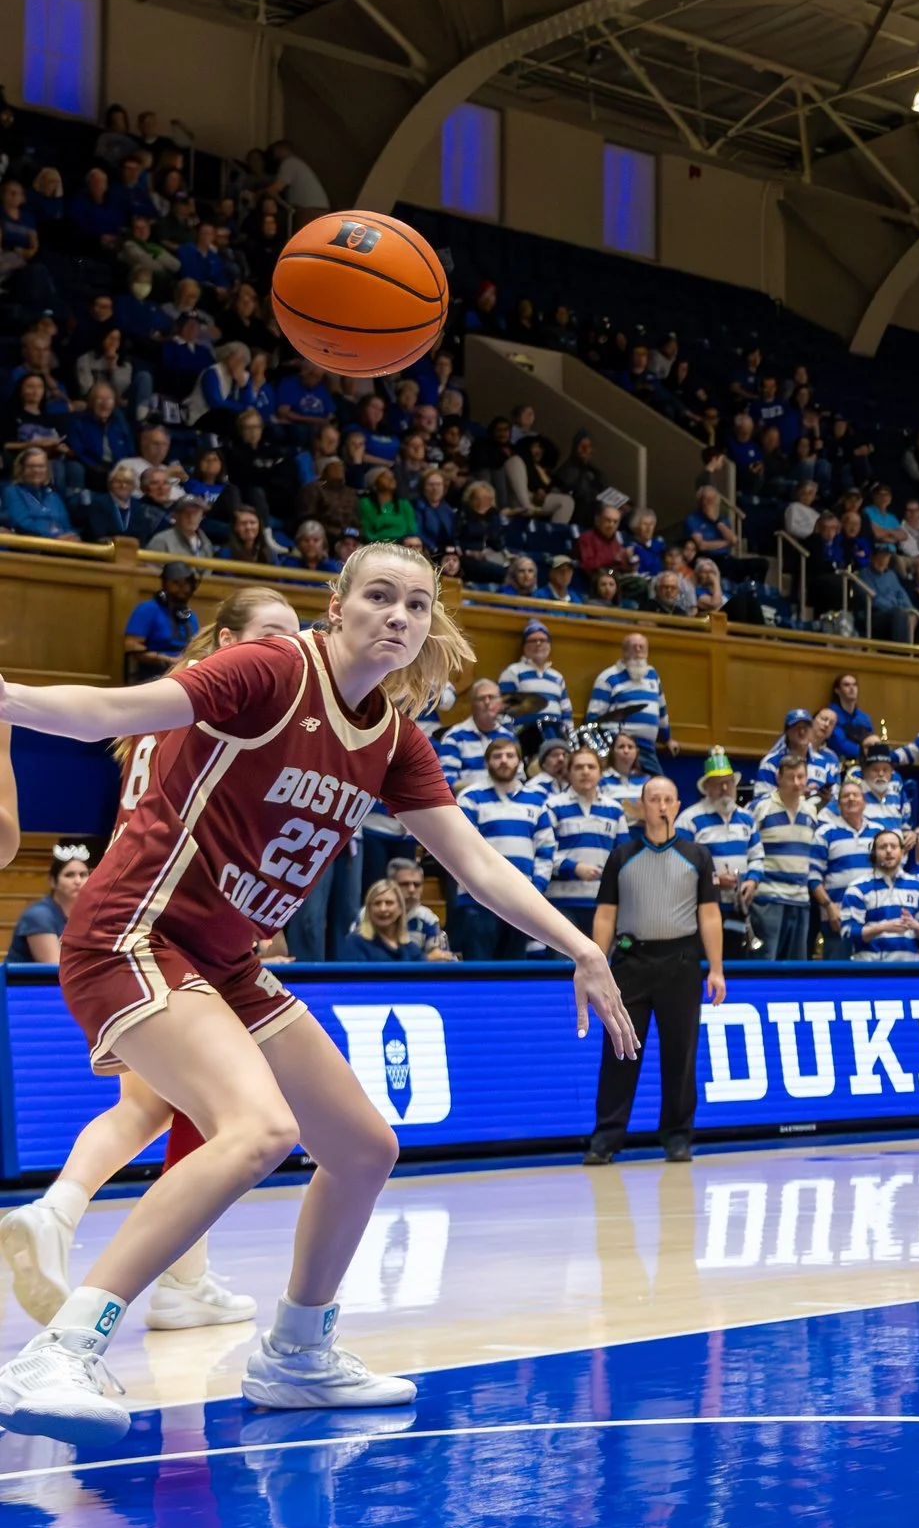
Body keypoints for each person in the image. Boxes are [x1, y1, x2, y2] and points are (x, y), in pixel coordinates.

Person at [0, 540, 632, 1445]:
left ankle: (297, 1350)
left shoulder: (395, 739)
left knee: (366, 1148)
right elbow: (122, 706)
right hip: (132, 931)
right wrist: (11, 699)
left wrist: (582, 947)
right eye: (379, 596)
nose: (399, 616)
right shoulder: (270, 669)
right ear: (337, 608)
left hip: (226, 960)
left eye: (416, 605)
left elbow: (478, 863)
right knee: (259, 1128)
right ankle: (60, 1348)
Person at [0, 590, 302, 1341]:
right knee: (206, 1109)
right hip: (171, 915)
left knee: (178, 1106)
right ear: (228, 638)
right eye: (270, 637)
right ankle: (96, 1243)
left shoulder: (165, 709)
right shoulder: (221, 706)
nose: (287, 653)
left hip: (140, 900)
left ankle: (161, 1264)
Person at [587, 776, 726, 1165]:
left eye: (668, 799)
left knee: (681, 1053)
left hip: (681, 963)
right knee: (620, 1050)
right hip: (631, 963)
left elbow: (710, 915)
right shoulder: (621, 855)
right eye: (654, 799)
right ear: (642, 807)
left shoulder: (697, 855)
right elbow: (606, 915)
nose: (661, 806)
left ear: (677, 806)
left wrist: (715, 969)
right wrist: (598, 965)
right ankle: (606, 1137)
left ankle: (678, 1136)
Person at [452, 736, 555, 959]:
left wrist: (535, 889)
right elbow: (460, 849)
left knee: (515, 976)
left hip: (521, 900)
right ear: (487, 761)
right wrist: (478, 887)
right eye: (497, 756)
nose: (504, 761)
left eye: (510, 756)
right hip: (478, 902)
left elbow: (546, 849)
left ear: (519, 762)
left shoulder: (536, 801)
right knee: (478, 975)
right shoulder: (471, 798)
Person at [546, 742, 627, 944]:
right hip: (561, 903)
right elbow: (544, 853)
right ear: (569, 772)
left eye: (591, 767)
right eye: (578, 767)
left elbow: (624, 856)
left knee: (601, 964)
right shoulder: (553, 806)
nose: (585, 772)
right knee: (562, 967)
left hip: (603, 902)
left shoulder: (615, 809)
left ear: (601, 772)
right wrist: (574, 868)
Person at [747, 754, 826, 961]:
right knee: (765, 963)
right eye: (791, 777)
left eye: (801, 777)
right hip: (768, 898)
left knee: (795, 968)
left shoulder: (810, 811)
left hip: (800, 899)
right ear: (778, 778)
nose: (797, 783)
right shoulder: (760, 808)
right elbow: (748, 848)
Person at [676, 749, 755, 954]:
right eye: (718, 783)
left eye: (728, 782)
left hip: (739, 909)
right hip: (702, 909)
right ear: (706, 787)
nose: (725, 788)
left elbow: (758, 857)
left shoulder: (747, 818)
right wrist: (715, 881)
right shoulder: (689, 819)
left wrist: (752, 881)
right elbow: (677, 866)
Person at [841, 828, 919, 962]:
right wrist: (883, 927)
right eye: (883, 847)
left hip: (909, 969)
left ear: (902, 852)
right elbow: (848, 934)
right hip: (869, 970)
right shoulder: (857, 889)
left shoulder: (918, 887)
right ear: (873, 854)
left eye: (893, 846)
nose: (888, 851)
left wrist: (915, 925)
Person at [817, 775, 881, 957]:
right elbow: (813, 878)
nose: (851, 799)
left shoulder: (878, 833)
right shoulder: (825, 833)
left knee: (871, 979)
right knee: (836, 979)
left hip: (873, 918)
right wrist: (829, 907)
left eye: (855, 795)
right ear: (838, 805)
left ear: (864, 802)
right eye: (845, 796)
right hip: (837, 916)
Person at [587, 631, 674, 754]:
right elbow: (593, 719)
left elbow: (662, 712)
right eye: (634, 647)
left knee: (659, 774)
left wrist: (667, 739)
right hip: (619, 750)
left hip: (648, 750)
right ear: (624, 651)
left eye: (642, 647)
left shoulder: (653, 676)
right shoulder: (608, 677)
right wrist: (612, 744)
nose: (638, 651)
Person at [6, 839, 89, 962]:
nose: (78, 881)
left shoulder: (89, 914)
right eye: (69, 875)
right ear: (53, 881)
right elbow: (54, 966)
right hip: (30, 981)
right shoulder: (39, 915)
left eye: (83, 875)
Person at [122, 561, 199, 681]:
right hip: (153, 674)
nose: (183, 589)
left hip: (183, 673)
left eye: (186, 584)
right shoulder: (147, 609)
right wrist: (168, 660)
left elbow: (196, 646)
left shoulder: (189, 615)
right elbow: (131, 646)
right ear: (164, 584)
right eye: (176, 583)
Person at [341, 878, 448, 963]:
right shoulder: (355, 942)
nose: (383, 909)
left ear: (401, 909)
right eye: (377, 903)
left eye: (389, 903)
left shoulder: (409, 948)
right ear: (368, 909)